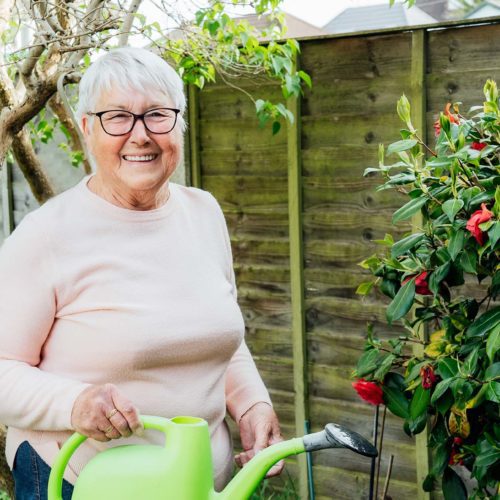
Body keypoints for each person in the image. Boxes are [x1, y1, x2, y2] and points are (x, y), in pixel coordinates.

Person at [0, 47, 283, 499]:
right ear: (88, 127)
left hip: (196, 484)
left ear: (180, 124)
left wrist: (252, 405)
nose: (140, 135)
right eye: (118, 117)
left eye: (157, 115)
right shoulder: (45, 237)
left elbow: (220, 338)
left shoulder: (203, 213)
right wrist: (73, 404)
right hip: (81, 481)